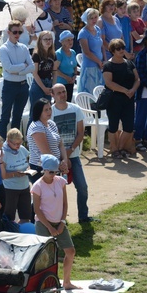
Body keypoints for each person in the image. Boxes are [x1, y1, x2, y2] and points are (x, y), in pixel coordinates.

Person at [32, 154, 78, 290]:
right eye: (50, 172)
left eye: (55, 172)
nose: (53, 175)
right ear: (44, 170)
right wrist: (50, 228)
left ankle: (67, 282)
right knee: (46, 257)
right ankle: (45, 284)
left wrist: (62, 222)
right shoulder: (37, 186)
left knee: (70, 251)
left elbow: (65, 204)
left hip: (59, 222)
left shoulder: (60, 182)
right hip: (43, 223)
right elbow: (37, 210)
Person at [50, 83, 91, 223]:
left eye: (64, 91)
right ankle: (58, 219)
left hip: (73, 156)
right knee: (57, 191)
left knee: (82, 187)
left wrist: (70, 150)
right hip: (57, 158)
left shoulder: (76, 109)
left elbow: (80, 133)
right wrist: (62, 156)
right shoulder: (50, 112)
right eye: (59, 93)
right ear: (53, 95)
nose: (62, 95)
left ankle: (83, 216)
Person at [103, 38, 140, 159]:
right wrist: (125, 90)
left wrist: (133, 90)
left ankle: (120, 147)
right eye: (118, 48)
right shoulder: (108, 65)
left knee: (129, 126)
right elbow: (109, 83)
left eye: (123, 48)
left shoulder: (129, 63)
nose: (121, 50)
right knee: (113, 126)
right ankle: (114, 149)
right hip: (114, 99)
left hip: (129, 99)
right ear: (112, 51)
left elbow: (137, 79)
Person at [0, 20, 33, 138]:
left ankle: (14, 142)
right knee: (5, 116)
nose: (17, 34)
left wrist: (18, 70)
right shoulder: (3, 49)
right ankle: (0, 143)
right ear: (9, 32)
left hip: (23, 85)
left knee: (18, 116)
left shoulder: (23, 47)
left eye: (20, 32)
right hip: (10, 85)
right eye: (15, 32)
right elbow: (8, 68)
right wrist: (23, 66)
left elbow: (32, 66)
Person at [27, 98, 68, 183]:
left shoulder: (51, 124)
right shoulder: (36, 127)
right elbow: (45, 151)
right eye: (46, 110)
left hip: (54, 166)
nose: (49, 112)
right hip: (40, 169)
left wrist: (64, 160)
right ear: (39, 112)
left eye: (50, 109)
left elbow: (60, 144)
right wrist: (60, 165)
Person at [0, 128, 31, 225]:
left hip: (24, 186)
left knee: (26, 216)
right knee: (9, 218)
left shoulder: (22, 149)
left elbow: (28, 162)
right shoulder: (3, 154)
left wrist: (28, 170)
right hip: (10, 189)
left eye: (20, 143)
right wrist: (15, 174)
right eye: (15, 144)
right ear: (8, 141)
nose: (18, 146)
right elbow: (3, 176)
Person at [78, 8, 104, 94]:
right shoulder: (83, 33)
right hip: (90, 66)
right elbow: (87, 52)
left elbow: (101, 45)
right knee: (90, 93)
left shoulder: (97, 29)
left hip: (99, 65)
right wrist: (99, 62)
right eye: (91, 18)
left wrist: (104, 60)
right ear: (86, 19)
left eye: (95, 17)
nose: (94, 20)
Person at [30, 31, 59, 105]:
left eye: (50, 39)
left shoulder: (53, 54)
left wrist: (53, 86)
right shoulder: (36, 55)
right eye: (45, 39)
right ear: (40, 41)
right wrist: (43, 88)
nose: (48, 41)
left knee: (47, 109)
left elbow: (54, 71)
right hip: (38, 84)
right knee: (36, 111)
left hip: (48, 83)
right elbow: (35, 73)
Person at [56, 31, 77, 99]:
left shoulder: (73, 52)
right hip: (61, 83)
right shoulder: (59, 54)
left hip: (71, 82)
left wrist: (74, 76)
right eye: (68, 40)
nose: (70, 41)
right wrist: (66, 78)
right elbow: (55, 70)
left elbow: (75, 66)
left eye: (71, 39)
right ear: (62, 42)